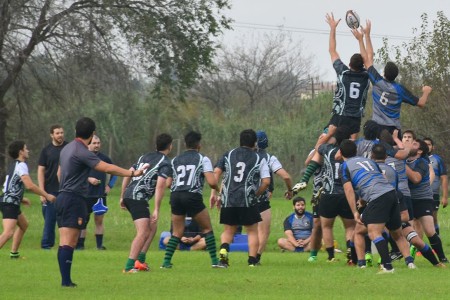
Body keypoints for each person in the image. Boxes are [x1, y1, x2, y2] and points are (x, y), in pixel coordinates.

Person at [55, 117, 146, 287]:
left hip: (62, 196)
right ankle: (66, 282)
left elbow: (59, 174)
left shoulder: (66, 148)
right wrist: (132, 173)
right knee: (69, 242)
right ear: (93, 133)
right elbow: (107, 168)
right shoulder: (82, 151)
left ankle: (65, 281)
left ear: (75, 131)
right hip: (73, 199)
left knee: (64, 241)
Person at [340, 139, 416, 273]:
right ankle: (410, 263)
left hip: (378, 197)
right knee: (396, 233)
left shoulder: (345, 166)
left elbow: (349, 190)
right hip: (391, 193)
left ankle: (387, 266)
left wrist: (355, 212)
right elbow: (380, 178)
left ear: (340, 153)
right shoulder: (369, 161)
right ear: (356, 151)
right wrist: (363, 200)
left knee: (373, 232)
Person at [352, 20, 432, 136]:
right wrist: (426, 92)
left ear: (384, 73)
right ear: (396, 75)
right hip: (394, 131)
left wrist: (363, 38)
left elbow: (367, 59)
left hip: (378, 128)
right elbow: (421, 103)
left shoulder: (377, 82)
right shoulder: (400, 90)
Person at [293, 126, 357, 264]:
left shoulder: (327, 150)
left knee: (326, 226)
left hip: (328, 194)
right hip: (346, 194)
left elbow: (318, 148)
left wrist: (326, 137)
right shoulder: (352, 152)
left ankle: (330, 257)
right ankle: (351, 256)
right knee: (350, 227)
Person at [161, 131, 223, 268]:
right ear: (199, 145)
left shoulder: (175, 160)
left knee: (177, 232)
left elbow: (168, 184)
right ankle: (214, 262)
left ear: (185, 144)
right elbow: (212, 181)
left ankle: (165, 262)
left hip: (176, 195)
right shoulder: (202, 159)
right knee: (207, 228)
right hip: (192, 195)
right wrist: (219, 191)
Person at [211, 129, 271, 267]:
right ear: (255, 143)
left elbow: (216, 174)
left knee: (228, 230)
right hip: (247, 199)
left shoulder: (229, 154)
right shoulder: (258, 158)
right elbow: (266, 181)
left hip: (229, 199)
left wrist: (218, 191)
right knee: (252, 231)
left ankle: (223, 258)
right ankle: (252, 261)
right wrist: (256, 194)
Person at [314, 12, 369, 149]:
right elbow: (368, 58)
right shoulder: (366, 76)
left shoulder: (343, 72)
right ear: (363, 65)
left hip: (340, 115)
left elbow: (332, 50)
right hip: (355, 118)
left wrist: (333, 28)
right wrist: (361, 39)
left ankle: (315, 166)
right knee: (349, 148)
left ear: (349, 64)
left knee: (324, 144)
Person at [121, 133, 173, 273]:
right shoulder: (165, 162)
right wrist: (156, 208)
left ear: (156, 145)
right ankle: (129, 266)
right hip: (138, 197)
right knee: (143, 232)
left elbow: (129, 173)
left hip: (130, 194)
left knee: (152, 226)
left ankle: (140, 260)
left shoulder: (143, 157)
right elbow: (160, 186)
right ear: (170, 146)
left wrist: (122, 195)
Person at [1, 141, 56, 258]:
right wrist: (46, 195)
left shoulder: (14, 165)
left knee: (24, 225)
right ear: (21, 152)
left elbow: (9, 185)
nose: (28, 151)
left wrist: (21, 199)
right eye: (26, 149)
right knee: (8, 233)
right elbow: (29, 185)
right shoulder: (21, 165)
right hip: (9, 203)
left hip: (11, 201)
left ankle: (14, 254)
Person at [405, 138, 448, 263]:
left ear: (419, 151)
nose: (409, 144)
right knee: (410, 230)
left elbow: (416, 179)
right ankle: (409, 257)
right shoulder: (404, 160)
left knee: (429, 231)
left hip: (423, 199)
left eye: (413, 144)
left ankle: (442, 258)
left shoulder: (422, 162)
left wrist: (401, 164)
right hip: (408, 199)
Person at [255, 130, 293, 264]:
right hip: (260, 200)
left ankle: (223, 252)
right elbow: (286, 176)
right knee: (263, 231)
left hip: (242, 198)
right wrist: (290, 190)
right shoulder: (269, 158)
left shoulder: (242, 156)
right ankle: (255, 258)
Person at [76, 135, 117, 250]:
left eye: (98, 143)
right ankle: (80, 245)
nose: (96, 145)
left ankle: (99, 246)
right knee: (83, 221)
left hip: (99, 196)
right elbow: (76, 175)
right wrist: (89, 179)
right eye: (94, 143)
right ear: (88, 144)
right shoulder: (83, 157)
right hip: (85, 195)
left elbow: (115, 172)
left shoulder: (105, 158)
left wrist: (109, 186)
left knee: (99, 221)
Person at [38, 125, 67, 250]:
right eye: (57, 133)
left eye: (61, 132)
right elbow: (40, 170)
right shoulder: (46, 151)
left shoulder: (68, 148)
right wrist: (42, 192)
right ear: (52, 135)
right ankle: (46, 246)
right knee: (49, 219)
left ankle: (65, 244)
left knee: (65, 219)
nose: (60, 135)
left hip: (65, 189)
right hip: (50, 190)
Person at [424, 137, 448, 235]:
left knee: (433, 218)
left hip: (433, 194)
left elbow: (444, 178)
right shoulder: (415, 159)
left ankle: (436, 243)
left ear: (432, 147)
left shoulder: (437, 159)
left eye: (429, 144)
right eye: (424, 144)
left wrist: (445, 196)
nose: (426, 146)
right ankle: (415, 246)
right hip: (419, 194)